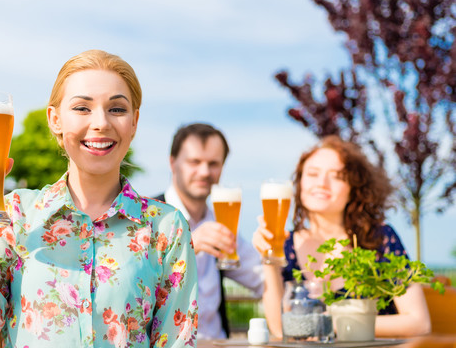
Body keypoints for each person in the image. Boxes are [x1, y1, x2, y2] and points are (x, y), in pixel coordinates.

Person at [0, 49, 198, 347]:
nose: (101, 122)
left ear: (134, 122)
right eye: (82, 108)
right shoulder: (17, 214)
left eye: (117, 109)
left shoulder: (166, 227)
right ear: (55, 119)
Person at [253, 135, 431, 338]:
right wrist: (269, 258)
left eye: (337, 176)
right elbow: (278, 329)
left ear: (354, 188)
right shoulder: (286, 244)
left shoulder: (379, 238)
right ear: (300, 184)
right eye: (312, 174)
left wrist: (331, 322)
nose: (322, 183)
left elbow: (419, 322)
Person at [155, 123, 280, 340]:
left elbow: (262, 279)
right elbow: (131, 286)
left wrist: (272, 254)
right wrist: (188, 246)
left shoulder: (222, 222)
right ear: (172, 162)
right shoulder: (149, 215)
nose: (204, 172)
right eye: (194, 162)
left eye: (213, 163)